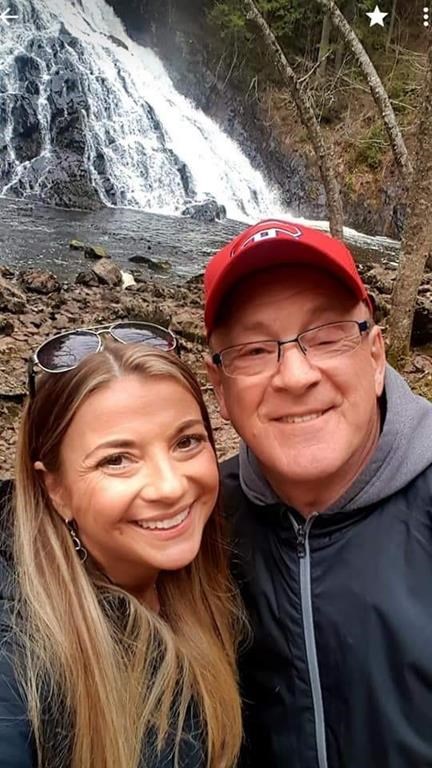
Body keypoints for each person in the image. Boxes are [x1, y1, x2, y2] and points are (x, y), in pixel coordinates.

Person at [203, 220, 432, 768]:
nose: (295, 375)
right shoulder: (199, 527)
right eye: (255, 351)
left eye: (326, 336)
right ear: (220, 390)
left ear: (376, 357)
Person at [0, 321, 243, 768]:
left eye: (186, 441)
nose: (170, 486)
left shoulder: (215, 581)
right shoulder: (19, 650)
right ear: (55, 489)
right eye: (117, 460)